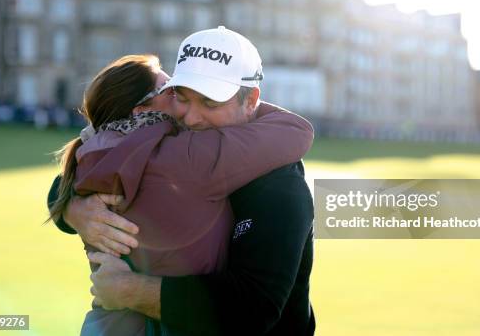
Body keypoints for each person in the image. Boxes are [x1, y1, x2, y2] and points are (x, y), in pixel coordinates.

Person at [47, 26, 316, 335]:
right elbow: (77, 176)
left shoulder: (280, 183)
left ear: (251, 99)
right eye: (182, 97)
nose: (192, 117)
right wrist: (75, 208)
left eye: (210, 103)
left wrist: (131, 290)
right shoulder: (171, 144)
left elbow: (253, 309)